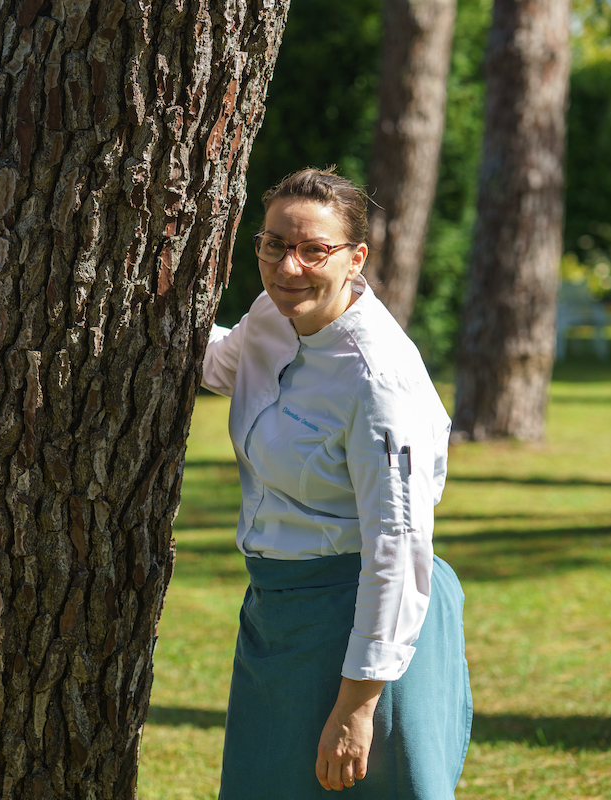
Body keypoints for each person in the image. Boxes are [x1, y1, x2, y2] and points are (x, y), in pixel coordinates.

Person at [202, 167, 472, 797]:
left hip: (369, 629)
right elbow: (217, 364)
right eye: (275, 245)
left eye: (314, 250)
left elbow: (397, 549)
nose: (289, 267)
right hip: (279, 616)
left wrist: (357, 707)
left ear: (356, 259)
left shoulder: (378, 380)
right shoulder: (270, 316)